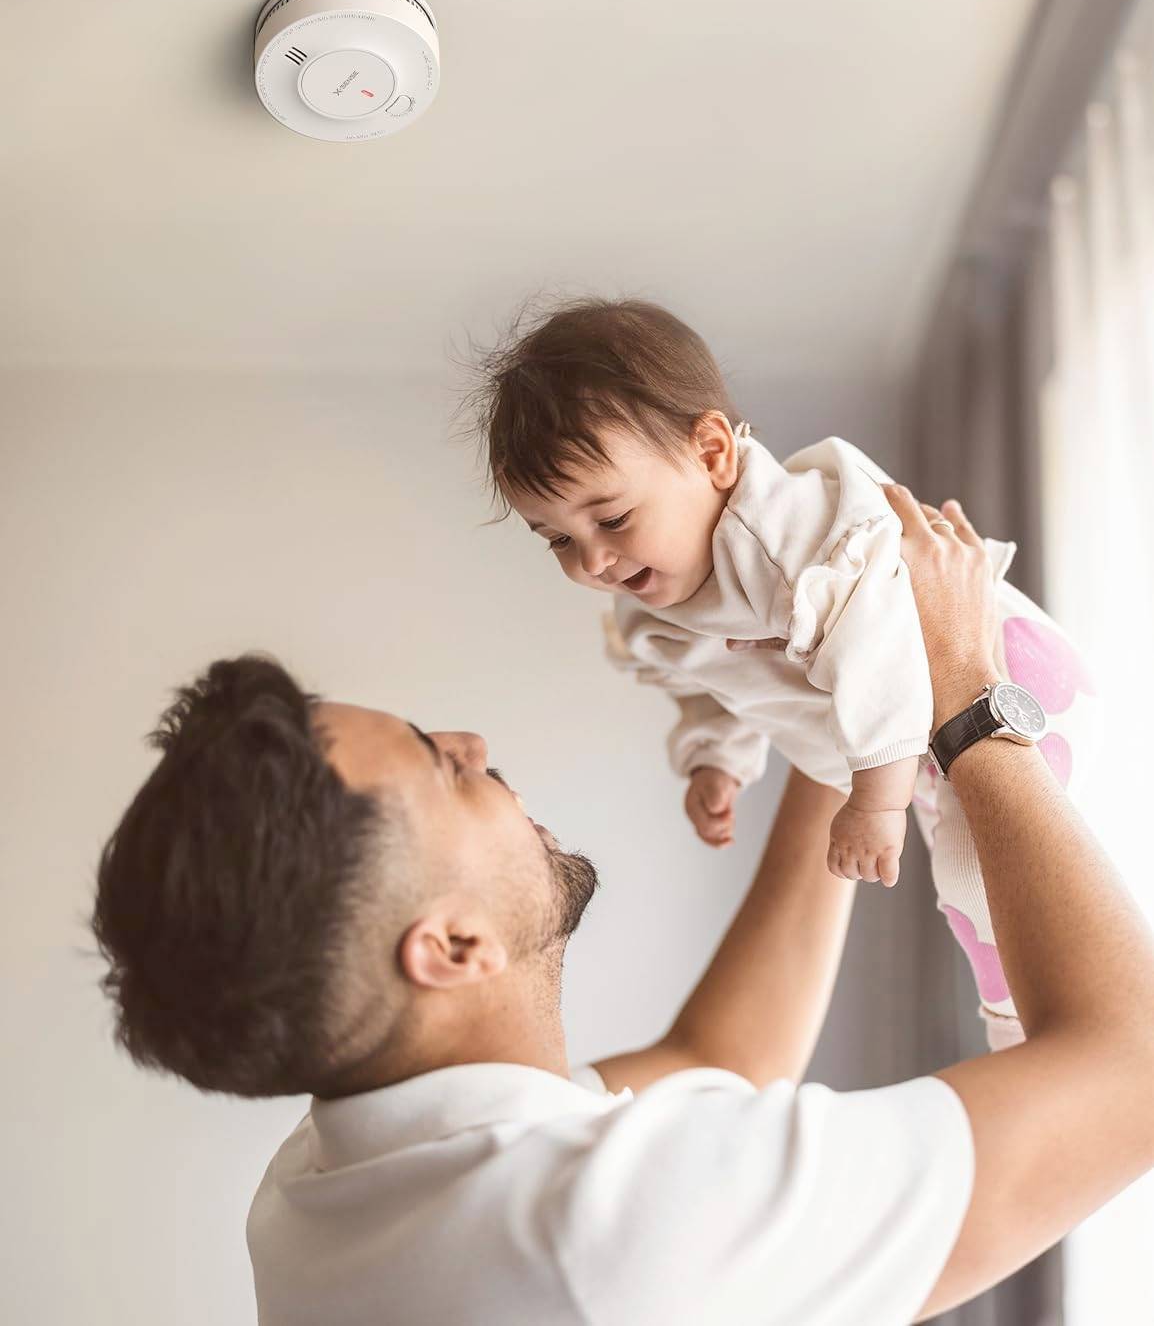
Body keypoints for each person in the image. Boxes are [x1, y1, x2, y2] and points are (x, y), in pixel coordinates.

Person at [90, 488, 1154, 1324]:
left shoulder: (324, 1184)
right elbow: (1133, 1064)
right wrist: (964, 686)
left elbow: (721, 1059)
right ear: (452, 944)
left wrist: (844, 708)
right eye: (436, 765)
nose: (469, 742)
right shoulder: (601, 1239)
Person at [470, 298, 1100, 1050]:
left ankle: (1034, 1037)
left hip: (1002, 675)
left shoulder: (787, 543)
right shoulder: (654, 604)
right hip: (923, 740)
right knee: (975, 903)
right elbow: (711, 682)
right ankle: (1027, 1031)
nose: (593, 562)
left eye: (610, 520)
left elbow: (876, 646)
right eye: (557, 541)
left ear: (711, 454)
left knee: (984, 888)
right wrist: (717, 760)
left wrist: (874, 804)